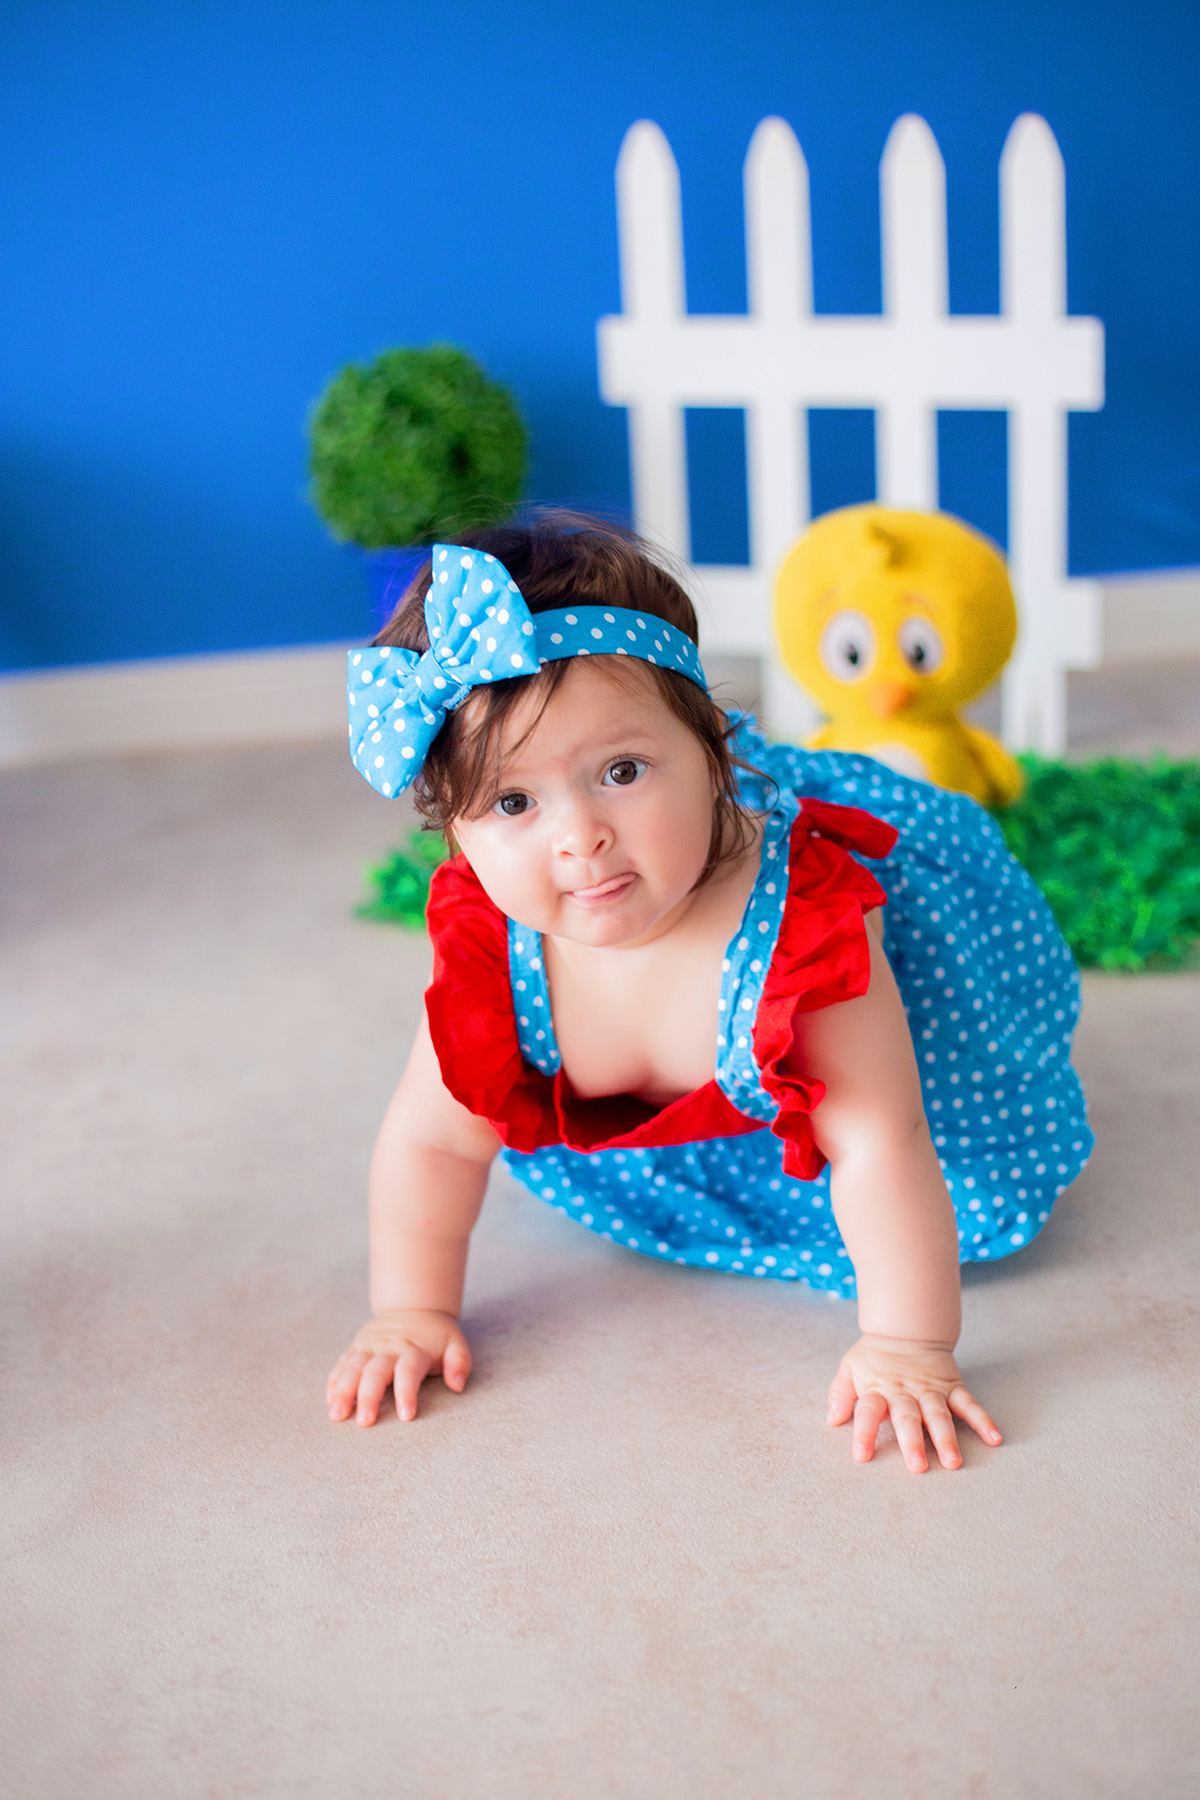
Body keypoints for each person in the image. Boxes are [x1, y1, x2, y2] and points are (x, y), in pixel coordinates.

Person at [327, 516, 1092, 1473]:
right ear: (456, 836)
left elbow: (878, 1139)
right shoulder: (498, 951)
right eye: (513, 802)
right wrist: (409, 1310)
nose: (580, 837)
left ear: (714, 753)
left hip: (872, 1062)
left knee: (904, 1133)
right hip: (668, 1120)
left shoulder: (802, 921)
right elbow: (434, 1139)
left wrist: (908, 1345)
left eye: (622, 772)